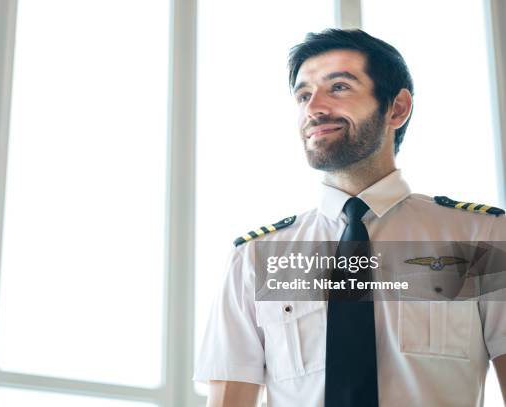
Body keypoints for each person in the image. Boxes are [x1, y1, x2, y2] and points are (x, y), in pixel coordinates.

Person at [193, 28, 506, 407]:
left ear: (397, 108)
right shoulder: (255, 259)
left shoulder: (483, 237)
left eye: (338, 87)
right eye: (304, 95)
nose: (314, 108)